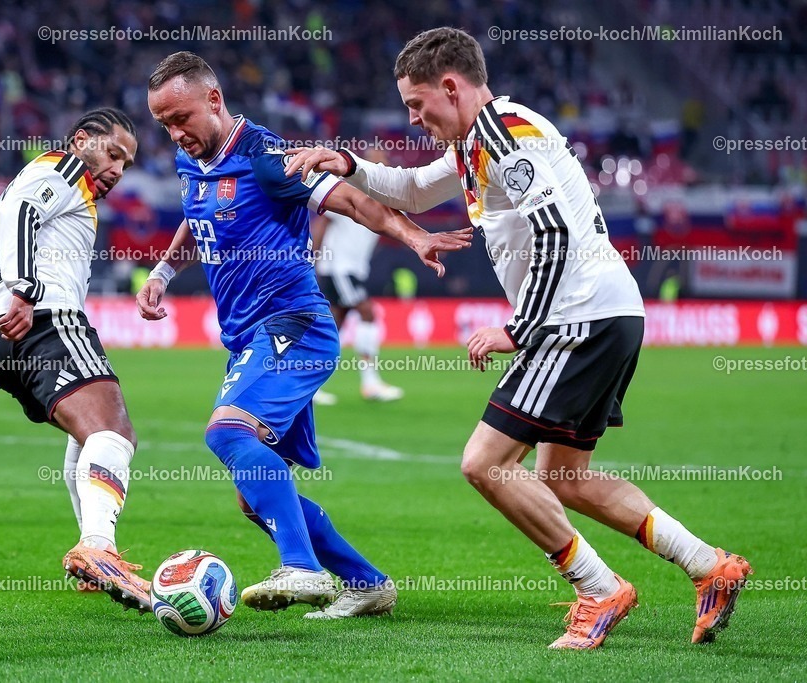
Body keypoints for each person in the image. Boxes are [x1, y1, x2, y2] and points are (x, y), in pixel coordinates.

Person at [283, 27, 751, 649]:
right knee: (565, 478)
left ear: (452, 87)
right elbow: (416, 189)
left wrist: (518, 327)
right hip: (604, 312)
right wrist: (347, 163)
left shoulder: (505, 131)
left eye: (419, 104)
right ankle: (708, 566)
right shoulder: (478, 142)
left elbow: (554, 231)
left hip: (576, 316)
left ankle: (599, 589)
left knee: (485, 464)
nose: (416, 118)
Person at [140, 51, 471, 619]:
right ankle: (367, 584)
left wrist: (413, 236)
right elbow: (199, 215)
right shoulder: (189, 156)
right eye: (163, 123)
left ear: (214, 101)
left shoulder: (266, 156)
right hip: (250, 340)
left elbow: (350, 200)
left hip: (295, 326)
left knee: (226, 433)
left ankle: (303, 569)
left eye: (181, 118)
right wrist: (164, 272)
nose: (174, 132)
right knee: (257, 498)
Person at [0, 108, 151, 612]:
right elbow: (21, 214)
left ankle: (97, 556)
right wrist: (27, 292)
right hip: (42, 318)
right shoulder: (61, 170)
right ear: (82, 141)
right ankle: (99, 546)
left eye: (127, 162)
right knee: (113, 433)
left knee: (88, 431)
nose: (118, 168)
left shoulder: (45, 190)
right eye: (113, 153)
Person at [313, 148, 403, 405]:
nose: (383, 165)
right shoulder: (348, 191)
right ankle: (371, 383)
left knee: (333, 327)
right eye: (378, 161)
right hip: (339, 268)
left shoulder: (383, 196)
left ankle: (308, 385)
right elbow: (322, 223)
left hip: (349, 268)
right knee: (368, 314)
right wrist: (311, 257)